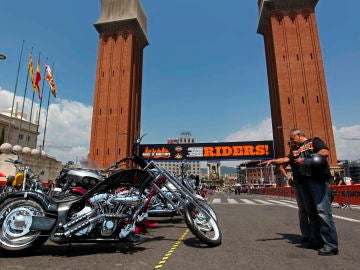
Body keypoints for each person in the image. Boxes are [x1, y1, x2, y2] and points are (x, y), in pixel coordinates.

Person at [260, 128, 339, 256]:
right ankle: (316, 240)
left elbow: (324, 152)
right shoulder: (296, 150)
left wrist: (307, 159)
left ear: (299, 135)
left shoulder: (314, 141)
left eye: (292, 139)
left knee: (323, 212)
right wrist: (272, 161)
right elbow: (285, 160)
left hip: (317, 180)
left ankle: (331, 245)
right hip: (303, 182)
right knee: (312, 213)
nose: (291, 142)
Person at [278, 143, 311, 244]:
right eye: (289, 144)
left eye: (292, 143)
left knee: (311, 210)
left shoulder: (308, 151)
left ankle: (315, 234)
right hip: (298, 184)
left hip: (310, 182)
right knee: (302, 210)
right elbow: (281, 166)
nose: (290, 145)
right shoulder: (292, 155)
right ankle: (306, 235)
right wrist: (288, 177)